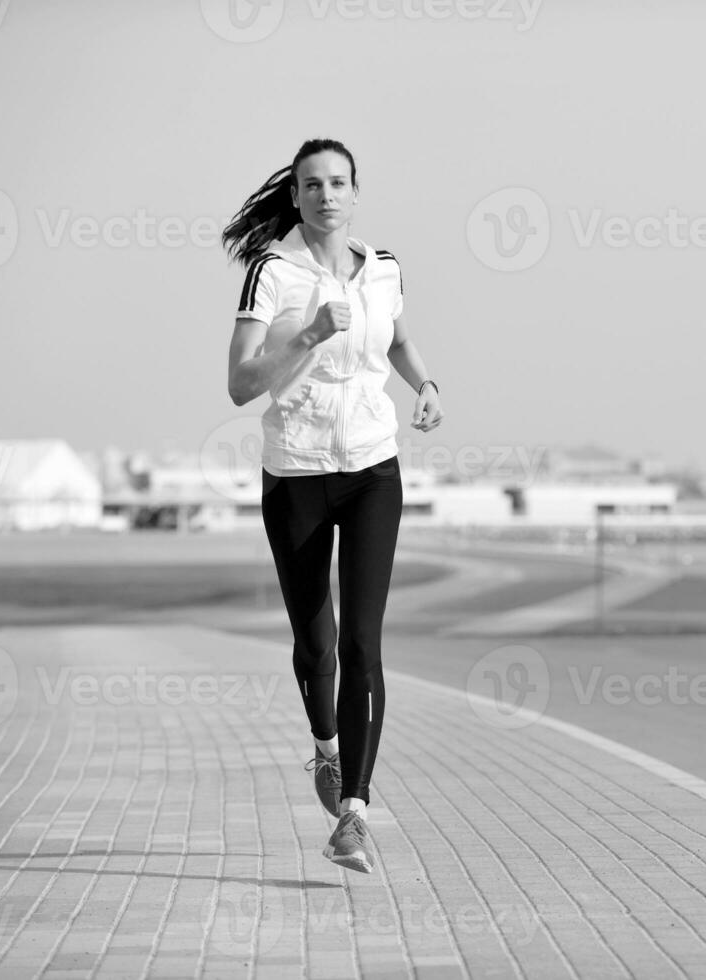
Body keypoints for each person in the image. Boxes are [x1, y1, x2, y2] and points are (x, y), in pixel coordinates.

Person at [221, 138, 443, 873]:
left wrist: (425, 385)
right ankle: (324, 749)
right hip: (297, 470)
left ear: (355, 192)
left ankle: (353, 811)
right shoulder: (272, 272)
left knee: (363, 644)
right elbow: (241, 385)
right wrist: (310, 335)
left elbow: (400, 340)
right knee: (317, 639)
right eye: (311, 185)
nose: (325, 195)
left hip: (373, 468)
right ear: (295, 196)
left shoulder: (384, 269)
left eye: (338, 182)